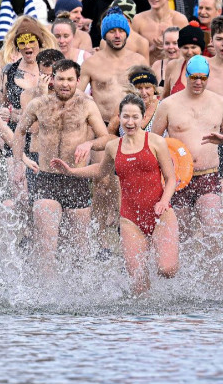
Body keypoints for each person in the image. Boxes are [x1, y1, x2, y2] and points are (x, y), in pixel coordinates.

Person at [52, 94, 179, 295]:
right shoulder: (113, 146)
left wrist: (164, 201)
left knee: (167, 269)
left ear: (143, 117)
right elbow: (101, 171)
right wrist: (71, 171)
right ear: (119, 117)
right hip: (129, 218)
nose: (130, 122)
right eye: (126, 117)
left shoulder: (155, 142)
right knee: (137, 283)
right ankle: (143, 322)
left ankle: (162, 263)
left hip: (160, 212)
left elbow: (171, 179)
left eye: (135, 117)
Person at [13, 60, 110, 273]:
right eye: (60, 79)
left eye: (69, 79)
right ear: (52, 79)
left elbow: (105, 137)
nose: (64, 84)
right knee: (47, 244)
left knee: (78, 248)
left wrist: (89, 143)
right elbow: (19, 131)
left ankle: (77, 296)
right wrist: (18, 162)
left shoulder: (87, 104)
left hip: (77, 178)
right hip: (46, 178)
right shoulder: (38, 104)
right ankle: (46, 296)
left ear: (77, 81)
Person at [151, 55, 223, 236]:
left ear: (208, 77)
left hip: (208, 175)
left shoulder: (219, 103)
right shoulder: (168, 105)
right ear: (186, 76)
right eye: (194, 78)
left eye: (203, 78)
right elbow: (153, 142)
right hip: (178, 179)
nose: (198, 82)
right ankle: (184, 266)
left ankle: (210, 266)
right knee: (181, 235)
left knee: (213, 230)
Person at [78, 10, 149, 122]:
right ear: (104, 35)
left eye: (121, 31)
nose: (117, 35)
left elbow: (152, 95)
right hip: (102, 124)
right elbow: (76, 95)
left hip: (133, 123)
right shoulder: (90, 63)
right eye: (112, 31)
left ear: (127, 33)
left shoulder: (139, 61)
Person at [131, 0, 190, 64]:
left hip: (172, 71)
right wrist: (151, 49)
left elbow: (187, 51)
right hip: (145, 71)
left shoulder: (179, 20)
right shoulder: (138, 20)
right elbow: (131, 52)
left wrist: (169, 48)